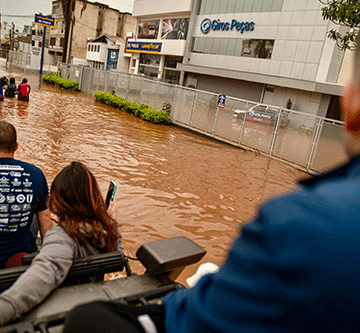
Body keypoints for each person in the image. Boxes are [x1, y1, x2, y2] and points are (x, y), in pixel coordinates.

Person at [63, 32, 360, 333]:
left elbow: (195, 321)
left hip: (184, 312)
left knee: (87, 318)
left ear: (350, 101)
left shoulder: (297, 224)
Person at [0, 161, 123, 326]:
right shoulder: (107, 232)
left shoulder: (62, 236)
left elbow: (42, 275)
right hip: (90, 298)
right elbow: (119, 259)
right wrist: (112, 223)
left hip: (62, 309)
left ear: (59, 199)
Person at [0, 121, 53, 269]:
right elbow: (46, 223)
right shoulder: (35, 175)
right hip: (15, 262)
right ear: (16, 146)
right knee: (36, 211)